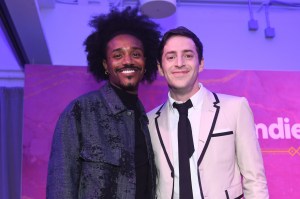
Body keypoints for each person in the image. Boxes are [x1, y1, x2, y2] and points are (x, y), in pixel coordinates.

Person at [46, 7, 161, 199]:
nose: (127, 61)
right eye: (117, 55)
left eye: (136, 54)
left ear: (145, 62)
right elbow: (61, 187)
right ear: (106, 65)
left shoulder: (147, 121)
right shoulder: (80, 112)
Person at [147, 26, 269, 199]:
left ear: (201, 63)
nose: (180, 63)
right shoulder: (150, 121)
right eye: (171, 57)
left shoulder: (235, 108)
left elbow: (254, 180)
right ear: (160, 67)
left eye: (188, 55)